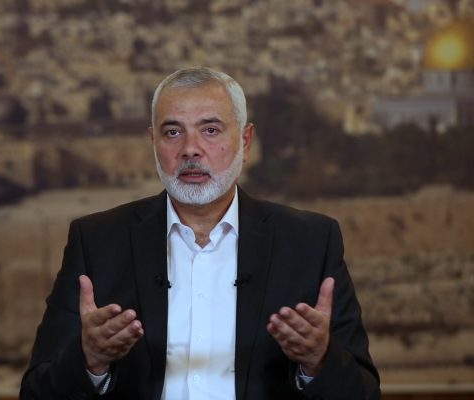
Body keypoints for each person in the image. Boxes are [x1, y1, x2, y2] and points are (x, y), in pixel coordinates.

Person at [20, 67, 380, 399]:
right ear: (154, 142)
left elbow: (365, 394)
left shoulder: (310, 243)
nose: (190, 149)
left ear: (245, 141)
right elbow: (36, 393)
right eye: (173, 132)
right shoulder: (96, 241)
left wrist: (319, 361)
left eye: (210, 130)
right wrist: (89, 360)